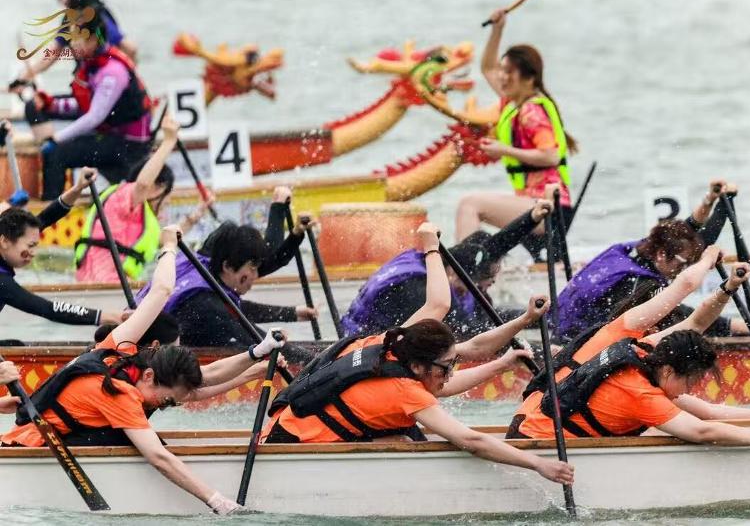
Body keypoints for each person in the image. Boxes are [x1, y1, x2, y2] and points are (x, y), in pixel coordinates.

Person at [1, 225, 283, 515]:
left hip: (64, 438)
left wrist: (255, 356)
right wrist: (218, 502)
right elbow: (159, 458)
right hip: (29, 449)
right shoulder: (120, 393)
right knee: (154, 444)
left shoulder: (122, 351)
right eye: (167, 399)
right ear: (149, 375)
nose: (170, 404)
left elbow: (200, 382)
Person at [262, 223, 573, 485]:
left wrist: (522, 325)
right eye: (446, 367)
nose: (450, 374)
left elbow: (456, 328)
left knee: (407, 435)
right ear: (418, 366)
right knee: (404, 442)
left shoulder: (391, 342)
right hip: (293, 445)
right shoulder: (406, 390)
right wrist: (538, 464)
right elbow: (471, 441)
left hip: (284, 426)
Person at [507, 270, 750, 448]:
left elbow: (708, 411)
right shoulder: (639, 392)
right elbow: (700, 431)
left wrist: (727, 289)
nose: (691, 389)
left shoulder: (645, 351)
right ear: (670, 371)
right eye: (691, 382)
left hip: (531, 425)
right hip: (537, 443)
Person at [553, 181, 750, 341]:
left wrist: (715, 201)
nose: (685, 270)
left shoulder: (640, 249)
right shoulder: (637, 282)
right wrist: (746, 327)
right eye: (683, 264)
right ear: (662, 254)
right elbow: (680, 313)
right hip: (575, 343)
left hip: (566, 323)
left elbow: (688, 233)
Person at [455, 7, 577, 258]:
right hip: (534, 207)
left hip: (549, 210)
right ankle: (477, 268)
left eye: (509, 72)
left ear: (529, 78)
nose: (502, 77)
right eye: (503, 71)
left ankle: (465, 273)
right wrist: (498, 29)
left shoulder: (531, 111)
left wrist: (504, 150)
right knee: (471, 207)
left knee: (470, 204)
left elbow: (551, 156)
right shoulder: (514, 104)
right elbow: (487, 67)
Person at [342, 200, 553, 340]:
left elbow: (491, 247)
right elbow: (470, 335)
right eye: (484, 280)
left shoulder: (456, 262)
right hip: (366, 344)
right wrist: (526, 331)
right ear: (453, 273)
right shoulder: (419, 287)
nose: (488, 285)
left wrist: (532, 217)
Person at [23, 7, 152, 200]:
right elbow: (86, 105)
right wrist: (51, 105)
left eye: (78, 38)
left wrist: (56, 139)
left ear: (93, 40)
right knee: (35, 109)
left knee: (57, 154)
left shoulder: (112, 71)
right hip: (113, 137)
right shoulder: (92, 64)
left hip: (129, 146)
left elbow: (94, 117)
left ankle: (52, 208)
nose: (72, 44)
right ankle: (56, 201)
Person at [134, 216, 317, 348]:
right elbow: (261, 341)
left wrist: (292, 313)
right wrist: (320, 365)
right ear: (228, 266)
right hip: (153, 359)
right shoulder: (205, 304)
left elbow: (235, 310)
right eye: (253, 268)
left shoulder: (207, 263)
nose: (256, 276)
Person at [74, 116, 210, 282]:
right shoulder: (122, 196)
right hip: (102, 283)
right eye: (165, 202)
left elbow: (165, 239)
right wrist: (168, 141)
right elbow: (143, 185)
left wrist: (196, 215)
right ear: (157, 187)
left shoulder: (142, 218)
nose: (165, 208)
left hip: (111, 284)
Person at [0, 167, 125, 329]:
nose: (33, 253)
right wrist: (107, 317)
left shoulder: (9, 234)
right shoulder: (2, 282)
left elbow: (46, 217)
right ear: (4, 241)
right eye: (30, 246)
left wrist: (78, 188)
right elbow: (47, 309)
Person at [9, 0, 137, 92]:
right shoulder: (69, 18)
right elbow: (53, 53)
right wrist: (24, 78)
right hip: (87, 84)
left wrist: (127, 81)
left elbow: (130, 49)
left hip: (106, 84)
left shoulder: (98, 19)